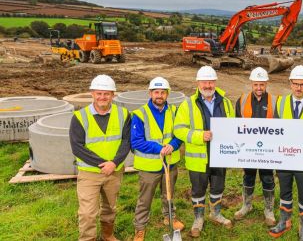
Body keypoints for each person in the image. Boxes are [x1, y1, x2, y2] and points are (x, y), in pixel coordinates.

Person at [173, 66, 235, 238]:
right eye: (204, 82)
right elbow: (178, 129)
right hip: (198, 158)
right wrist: (200, 136)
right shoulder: (187, 104)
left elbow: (232, 127)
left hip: (220, 155)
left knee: (218, 187)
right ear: (198, 83)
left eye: (211, 81)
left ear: (215, 82)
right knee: (198, 189)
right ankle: (198, 219)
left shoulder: (226, 102)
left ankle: (215, 213)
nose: (208, 85)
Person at [69, 74, 131, 241]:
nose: (103, 97)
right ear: (92, 94)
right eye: (99, 93)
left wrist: (114, 163)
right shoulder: (79, 117)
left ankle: (108, 235)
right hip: (89, 173)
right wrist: (103, 164)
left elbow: (126, 142)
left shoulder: (124, 114)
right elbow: (77, 147)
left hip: (114, 171)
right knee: (88, 213)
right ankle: (88, 238)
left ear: (113, 95)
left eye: (107, 93)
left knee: (110, 207)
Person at [268, 65, 303, 241]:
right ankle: (284, 222)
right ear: (290, 83)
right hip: (284, 159)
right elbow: (275, 131)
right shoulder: (281, 102)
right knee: (284, 192)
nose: (299, 88)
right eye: (295, 84)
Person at [131, 77, 184, 241]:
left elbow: (180, 134)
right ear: (150, 93)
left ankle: (169, 217)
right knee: (144, 199)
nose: (159, 95)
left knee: (168, 194)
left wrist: (173, 145)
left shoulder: (175, 112)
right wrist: (159, 148)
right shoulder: (140, 114)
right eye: (156, 92)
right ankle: (140, 227)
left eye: (162, 92)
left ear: (167, 94)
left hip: (170, 164)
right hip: (149, 167)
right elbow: (137, 141)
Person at [234, 67, 277, 226]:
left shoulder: (274, 101)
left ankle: (268, 209)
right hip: (248, 149)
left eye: (262, 85)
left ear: (266, 84)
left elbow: (280, 128)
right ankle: (247, 205)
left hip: (267, 149)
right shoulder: (242, 100)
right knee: (248, 175)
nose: (259, 88)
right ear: (251, 84)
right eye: (256, 85)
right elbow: (236, 125)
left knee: (267, 177)